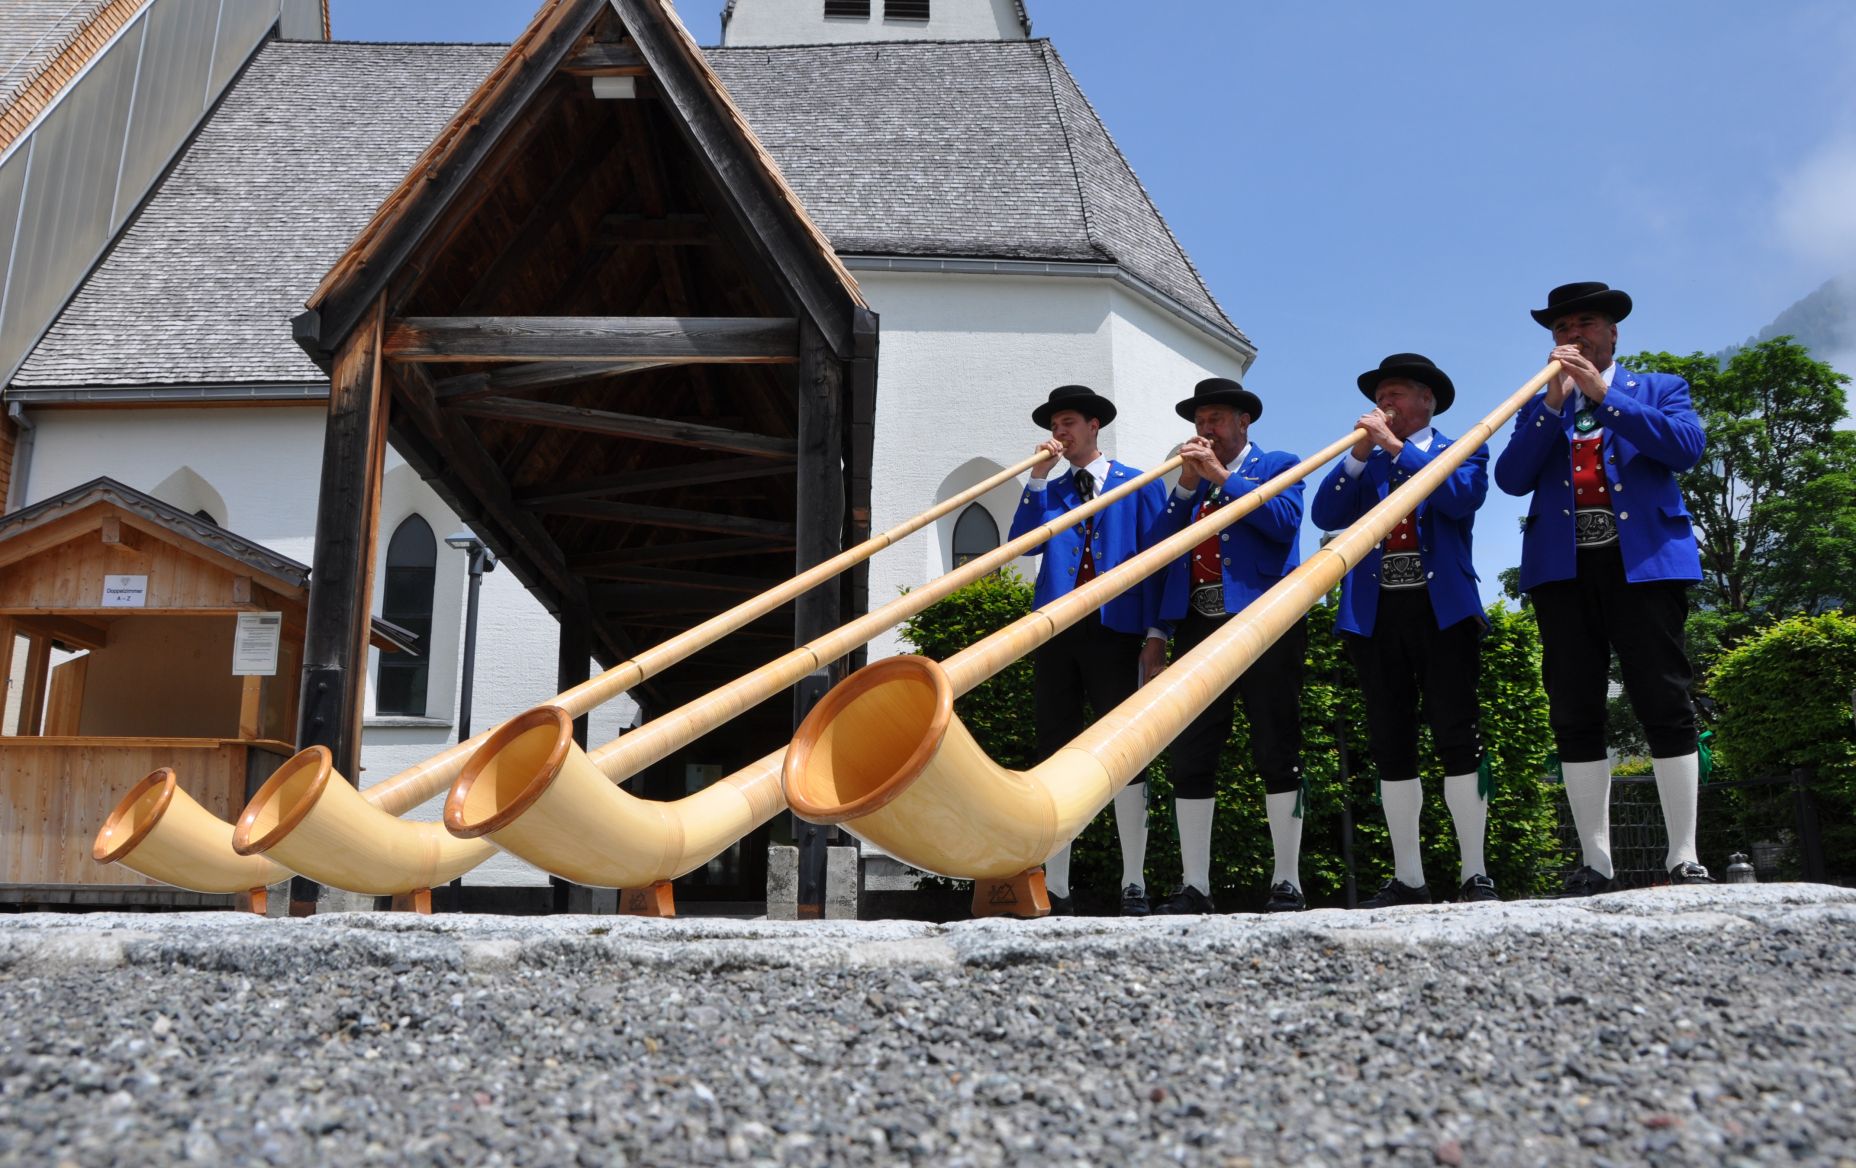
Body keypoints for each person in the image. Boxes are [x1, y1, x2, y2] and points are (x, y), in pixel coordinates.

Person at [1493, 282, 1712, 894]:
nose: (1572, 335)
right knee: (1574, 705)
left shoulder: (1660, 387)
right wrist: (1554, 405)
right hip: (1563, 572)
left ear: (1613, 332)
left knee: (1664, 697)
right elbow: (1510, 479)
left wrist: (1603, 393)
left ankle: (1684, 856)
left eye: (1584, 322)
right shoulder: (1540, 401)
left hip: (1645, 564)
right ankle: (1595, 862)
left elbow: (1686, 447)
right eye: (1561, 327)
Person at [1311, 353, 1495, 907]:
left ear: (1426, 401)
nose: (1383, 404)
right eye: (1379, 395)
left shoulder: (1462, 447)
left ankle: (1475, 871)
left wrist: (1394, 449)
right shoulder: (1364, 460)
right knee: (1390, 743)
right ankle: (1408, 876)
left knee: (1456, 736)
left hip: (1442, 609)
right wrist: (1359, 454)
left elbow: (1461, 498)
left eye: (1395, 394)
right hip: (1377, 612)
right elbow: (1325, 513)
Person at [1145, 378, 1307, 913]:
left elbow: (1283, 525)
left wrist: (1221, 478)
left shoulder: (1280, 464)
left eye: (1215, 418)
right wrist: (1188, 488)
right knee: (1192, 753)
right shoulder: (1191, 482)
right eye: (1200, 420)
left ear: (1244, 422)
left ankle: (1288, 880)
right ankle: (1195, 885)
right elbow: (1160, 549)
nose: (1205, 429)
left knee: (1275, 747)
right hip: (1197, 623)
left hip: (1264, 623)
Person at [1009, 384, 1170, 915]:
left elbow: (1158, 563)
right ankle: (1055, 884)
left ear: (1094, 426)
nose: (1059, 433)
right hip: (1056, 632)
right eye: (1054, 425)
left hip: (1117, 630)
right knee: (1053, 750)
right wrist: (1035, 478)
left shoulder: (1137, 484)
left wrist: (1155, 633)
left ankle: (1134, 881)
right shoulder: (1049, 490)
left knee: (1125, 755)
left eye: (1069, 423)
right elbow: (1023, 544)